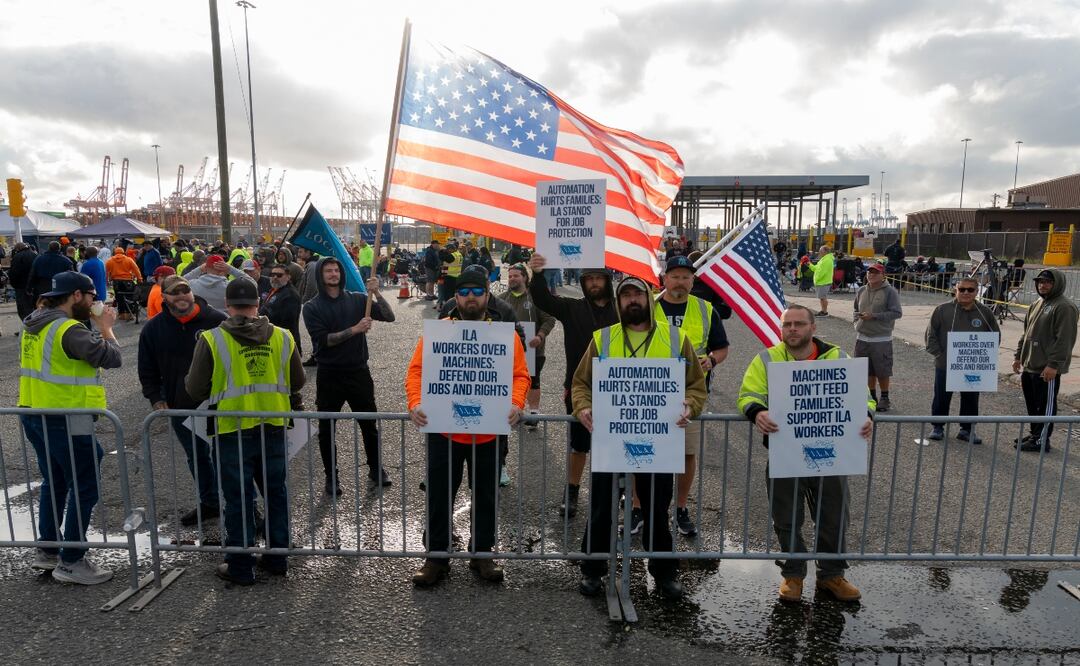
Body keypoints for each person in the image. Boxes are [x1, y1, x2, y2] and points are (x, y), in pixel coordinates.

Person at [571, 276, 707, 600]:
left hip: (658, 442)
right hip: (611, 439)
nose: (632, 300)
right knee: (602, 507)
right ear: (619, 303)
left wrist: (691, 404)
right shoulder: (602, 339)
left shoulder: (677, 339)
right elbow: (580, 383)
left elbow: (696, 386)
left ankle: (664, 572)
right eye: (626, 295)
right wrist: (584, 406)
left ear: (648, 298)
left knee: (657, 509)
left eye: (637, 294)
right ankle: (592, 569)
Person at [738, 305, 873, 602]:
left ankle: (832, 575)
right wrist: (756, 411)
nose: (792, 330)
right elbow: (748, 394)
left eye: (799, 324)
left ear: (813, 328)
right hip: (786, 452)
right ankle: (794, 574)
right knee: (786, 516)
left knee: (833, 515)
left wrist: (866, 415)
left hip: (832, 453)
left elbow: (862, 396)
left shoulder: (837, 358)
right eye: (787, 325)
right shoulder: (767, 358)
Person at [406, 268, 530, 587]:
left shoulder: (504, 334)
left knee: (486, 495)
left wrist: (516, 403)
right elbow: (417, 371)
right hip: (444, 429)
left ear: (487, 296)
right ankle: (436, 556)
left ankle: (482, 554)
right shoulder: (438, 332)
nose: (471, 297)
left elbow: (520, 375)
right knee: (439, 494)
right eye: (465, 292)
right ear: (455, 297)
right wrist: (415, 403)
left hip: (488, 430)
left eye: (478, 291)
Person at [185, 278, 305, 585]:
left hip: (232, 429)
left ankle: (240, 565)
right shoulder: (282, 336)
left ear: (227, 305)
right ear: (258, 304)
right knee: (275, 493)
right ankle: (277, 558)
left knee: (236, 498)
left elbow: (194, 388)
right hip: (274, 424)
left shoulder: (213, 339)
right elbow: (298, 381)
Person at [18, 271, 121, 584]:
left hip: (34, 411)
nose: (94, 302)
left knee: (56, 480)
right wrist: (106, 328)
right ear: (76, 295)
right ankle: (72, 560)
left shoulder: (34, 322)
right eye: (92, 297)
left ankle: (48, 549)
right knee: (85, 482)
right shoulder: (68, 328)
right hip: (66, 416)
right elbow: (112, 357)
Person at [527, 253, 618, 518]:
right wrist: (539, 274)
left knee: (616, 441)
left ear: (607, 280)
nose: (594, 283)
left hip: (618, 387)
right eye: (588, 279)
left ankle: (621, 492)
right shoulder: (573, 308)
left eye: (598, 278)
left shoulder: (621, 309)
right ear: (582, 282)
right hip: (580, 389)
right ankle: (572, 490)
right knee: (579, 444)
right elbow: (543, 300)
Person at [138, 274, 227, 525]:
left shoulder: (218, 321)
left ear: (192, 292)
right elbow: (147, 368)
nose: (181, 296)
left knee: (229, 457)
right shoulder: (153, 328)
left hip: (220, 403)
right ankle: (209, 503)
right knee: (196, 457)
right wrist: (155, 398)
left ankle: (246, 507)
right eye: (174, 292)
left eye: (185, 291)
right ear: (164, 297)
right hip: (181, 405)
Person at [302, 257, 395, 494]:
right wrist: (356, 329)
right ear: (320, 276)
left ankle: (376, 468)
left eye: (336, 270)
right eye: (328, 271)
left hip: (358, 372)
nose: (333, 274)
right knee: (327, 429)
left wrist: (377, 293)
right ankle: (331, 477)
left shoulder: (357, 299)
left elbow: (389, 316)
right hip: (329, 374)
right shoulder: (312, 307)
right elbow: (324, 340)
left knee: (369, 424)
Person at [651, 255, 729, 538]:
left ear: (693, 281)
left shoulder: (706, 309)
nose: (680, 282)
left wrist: (712, 360)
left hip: (690, 395)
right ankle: (637, 507)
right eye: (675, 276)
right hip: (651, 393)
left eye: (686, 277)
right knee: (641, 451)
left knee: (686, 454)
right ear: (664, 279)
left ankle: (681, 507)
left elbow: (721, 348)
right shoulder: (649, 306)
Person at [924, 276, 1000, 443]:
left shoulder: (985, 312)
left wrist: (985, 356)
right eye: (962, 289)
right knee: (941, 397)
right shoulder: (942, 310)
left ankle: (966, 429)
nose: (966, 293)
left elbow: (995, 336)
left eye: (970, 290)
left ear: (977, 291)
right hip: (945, 364)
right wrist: (940, 355)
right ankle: (937, 426)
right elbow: (931, 336)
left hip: (972, 365)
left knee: (971, 398)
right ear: (955, 290)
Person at [1013, 269, 1079, 452]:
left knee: (1045, 406)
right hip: (1030, 365)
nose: (1043, 285)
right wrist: (1018, 356)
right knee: (1032, 404)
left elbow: (1064, 339)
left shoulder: (1064, 306)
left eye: (1048, 282)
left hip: (1046, 368)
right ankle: (1036, 434)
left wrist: (1053, 365)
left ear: (1056, 283)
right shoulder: (1037, 303)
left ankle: (1042, 440)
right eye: (1040, 281)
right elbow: (1026, 333)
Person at [496, 263, 556, 434]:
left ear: (524, 277)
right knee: (510, 380)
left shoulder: (535, 298)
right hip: (508, 350)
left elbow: (549, 319)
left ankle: (534, 412)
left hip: (533, 349)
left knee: (533, 380)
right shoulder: (500, 299)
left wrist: (540, 336)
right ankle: (515, 409)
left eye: (516, 275)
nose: (512, 279)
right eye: (510, 276)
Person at [852, 263, 903, 412]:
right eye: (869, 272)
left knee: (882, 370)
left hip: (881, 338)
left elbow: (897, 313)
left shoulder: (890, 291)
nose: (871, 275)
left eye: (875, 272)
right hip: (862, 337)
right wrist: (857, 322)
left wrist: (874, 316)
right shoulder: (861, 290)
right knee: (866, 370)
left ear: (883, 275)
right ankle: (871, 396)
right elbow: (856, 309)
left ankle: (885, 397)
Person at [185, 254, 255, 312]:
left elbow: (177, 281)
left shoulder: (193, 284)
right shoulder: (230, 286)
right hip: (225, 325)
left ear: (205, 268)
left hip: (201, 325)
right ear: (224, 269)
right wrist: (231, 269)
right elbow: (253, 284)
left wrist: (199, 269)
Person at [260, 263, 303, 357]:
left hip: (284, 344)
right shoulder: (275, 289)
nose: (275, 277)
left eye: (279, 275)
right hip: (273, 340)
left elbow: (287, 324)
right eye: (272, 274)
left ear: (288, 277)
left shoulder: (290, 295)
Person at [104, 246, 143, 321]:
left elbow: (106, 273)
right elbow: (136, 270)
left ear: (115, 253)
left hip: (116, 282)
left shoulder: (109, 261)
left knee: (119, 298)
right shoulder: (129, 260)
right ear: (123, 252)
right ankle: (129, 314)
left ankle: (121, 315)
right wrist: (139, 279)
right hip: (128, 282)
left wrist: (106, 282)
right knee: (129, 298)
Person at [9, 242, 38, 323]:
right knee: (33, 306)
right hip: (34, 286)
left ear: (18, 249)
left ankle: (27, 327)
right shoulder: (35, 254)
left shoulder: (17, 257)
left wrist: (14, 284)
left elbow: (14, 272)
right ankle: (35, 326)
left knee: (23, 308)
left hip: (21, 286)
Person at [808, 246, 835, 316]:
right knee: (822, 298)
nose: (819, 252)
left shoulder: (827, 260)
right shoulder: (824, 259)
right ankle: (823, 311)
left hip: (823, 281)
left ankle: (825, 312)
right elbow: (816, 268)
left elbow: (823, 272)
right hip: (822, 281)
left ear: (825, 251)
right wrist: (809, 265)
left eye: (821, 251)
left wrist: (817, 279)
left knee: (823, 298)